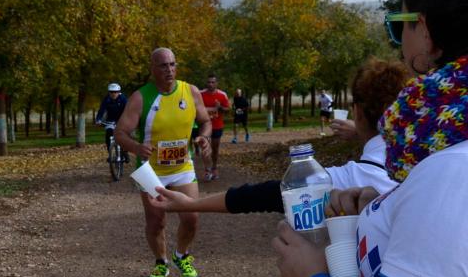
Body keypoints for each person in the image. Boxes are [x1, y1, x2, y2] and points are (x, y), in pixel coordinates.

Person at [273, 0, 468, 277]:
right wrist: (386, 214)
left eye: (398, 24)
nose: (399, 44)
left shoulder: (451, 174)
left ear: (427, 31)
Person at [149, 58, 407, 215]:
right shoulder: (431, 161)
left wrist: (190, 204)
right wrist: (361, 130)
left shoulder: (351, 179)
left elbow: (264, 195)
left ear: (358, 111)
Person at [114, 47, 212, 277]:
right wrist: (136, 148)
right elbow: (120, 133)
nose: (169, 70)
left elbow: (205, 121)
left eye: (172, 64)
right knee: (156, 221)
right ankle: (161, 262)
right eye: (163, 65)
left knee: (192, 217)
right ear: (153, 69)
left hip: (182, 167)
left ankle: (182, 255)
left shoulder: (191, 91)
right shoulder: (140, 97)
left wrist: (203, 137)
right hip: (151, 171)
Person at [200, 74, 230, 180]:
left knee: (215, 148)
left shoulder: (222, 95)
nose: (211, 84)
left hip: (217, 125)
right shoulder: (200, 94)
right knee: (205, 148)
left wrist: (220, 107)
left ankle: (214, 168)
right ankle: (207, 170)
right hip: (204, 126)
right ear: (206, 83)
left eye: (213, 82)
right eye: (209, 82)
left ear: (216, 83)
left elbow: (228, 109)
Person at [96, 83, 128, 162]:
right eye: (111, 92)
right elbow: (101, 110)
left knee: (124, 135)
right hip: (110, 120)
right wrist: (98, 119)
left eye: (115, 92)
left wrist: (128, 119)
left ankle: (125, 152)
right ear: (109, 92)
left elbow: (128, 110)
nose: (113, 94)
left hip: (122, 119)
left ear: (119, 92)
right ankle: (110, 153)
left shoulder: (123, 99)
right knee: (108, 134)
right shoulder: (106, 99)